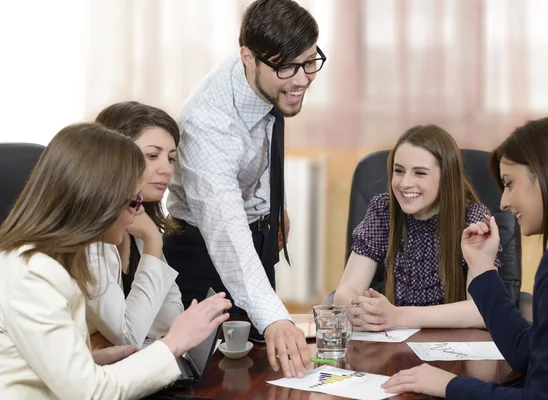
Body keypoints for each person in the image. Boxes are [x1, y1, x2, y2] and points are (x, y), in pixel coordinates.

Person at [0, 123, 231, 399]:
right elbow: (91, 393)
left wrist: (92, 359)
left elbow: (46, 364)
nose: (136, 215)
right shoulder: (32, 273)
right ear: (98, 202)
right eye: (132, 203)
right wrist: (173, 344)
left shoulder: (54, 258)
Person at [381, 117, 548, 398]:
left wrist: (449, 385)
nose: (504, 202)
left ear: (546, 175)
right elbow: (527, 352)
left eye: (509, 184)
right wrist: (483, 269)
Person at [164, 0, 326, 377]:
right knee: (215, 378)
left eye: (309, 61)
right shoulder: (208, 124)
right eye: (287, 67)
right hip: (203, 254)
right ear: (247, 57)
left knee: (263, 369)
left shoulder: (269, 81)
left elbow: (259, 145)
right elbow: (225, 234)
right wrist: (274, 317)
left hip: (257, 241)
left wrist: (271, 205)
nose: (301, 79)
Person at [334, 125, 501, 330]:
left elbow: (480, 311)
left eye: (420, 173)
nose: (405, 183)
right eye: (399, 171)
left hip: (450, 348)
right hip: (392, 346)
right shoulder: (383, 210)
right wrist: (359, 310)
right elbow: (345, 292)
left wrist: (398, 317)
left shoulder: (472, 218)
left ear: (446, 177)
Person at [86, 101, 184, 349]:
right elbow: (128, 336)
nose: (167, 169)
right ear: (115, 155)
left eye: (171, 158)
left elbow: (172, 315)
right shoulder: (89, 235)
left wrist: (115, 333)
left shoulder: (138, 219)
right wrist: (154, 240)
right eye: (152, 156)